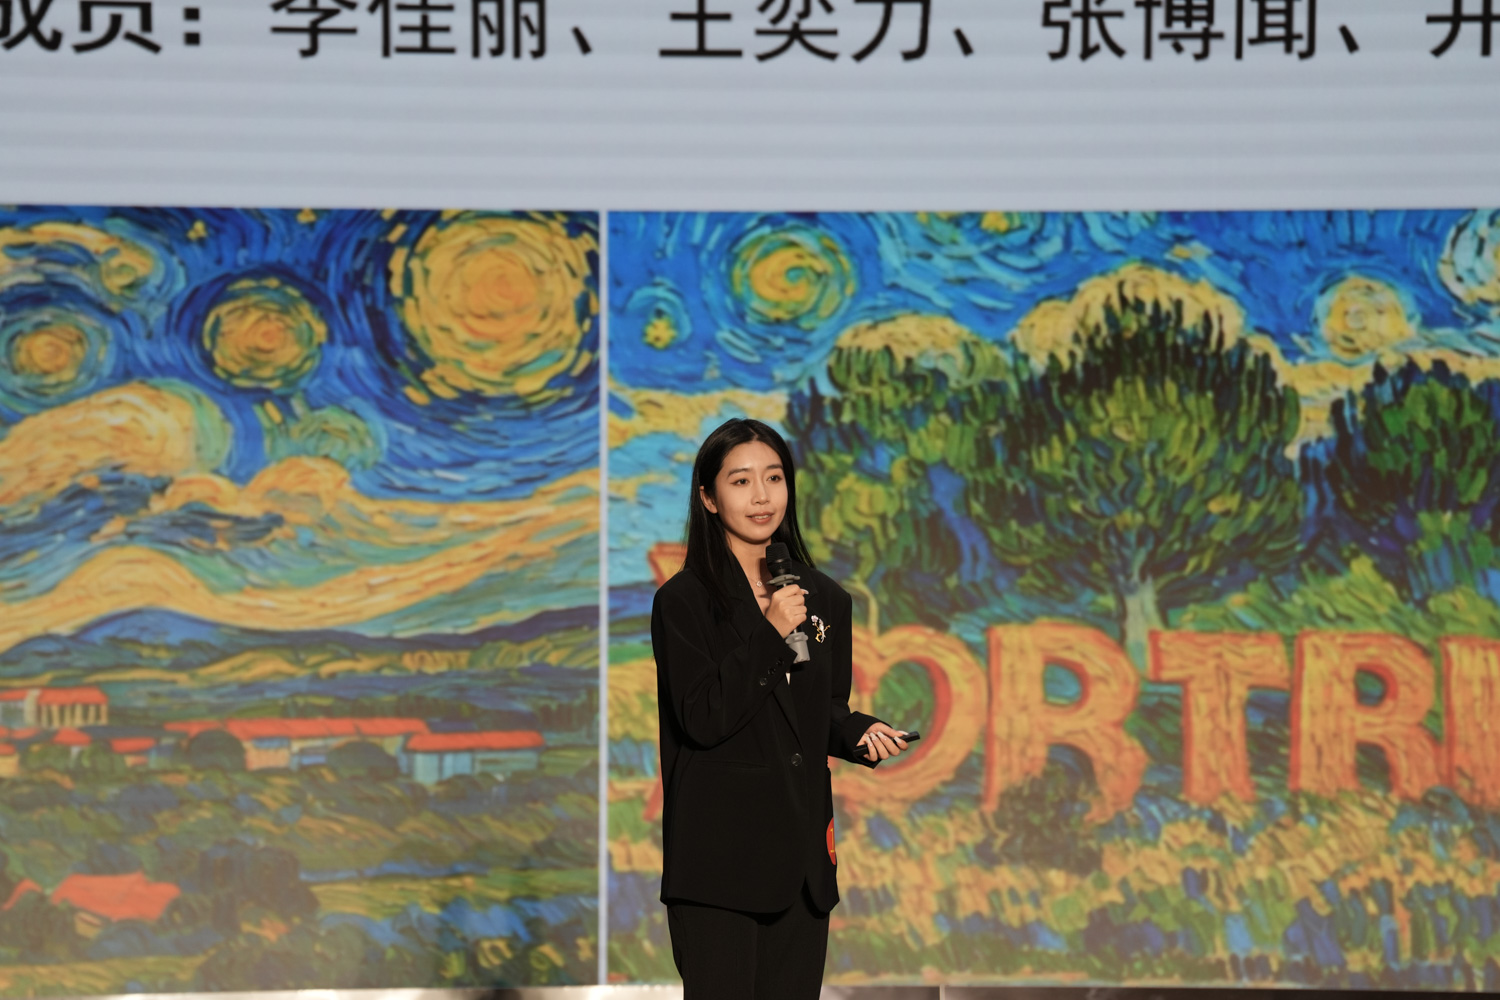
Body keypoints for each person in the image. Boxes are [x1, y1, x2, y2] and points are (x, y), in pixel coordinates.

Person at [651, 417, 910, 1000]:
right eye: (740, 481)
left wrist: (859, 731)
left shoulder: (824, 598)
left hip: (801, 866)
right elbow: (704, 717)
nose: (761, 496)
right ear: (708, 498)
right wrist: (769, 632)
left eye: (773, 478)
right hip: (720, 862)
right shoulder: (683, 602)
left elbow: (818, 711)